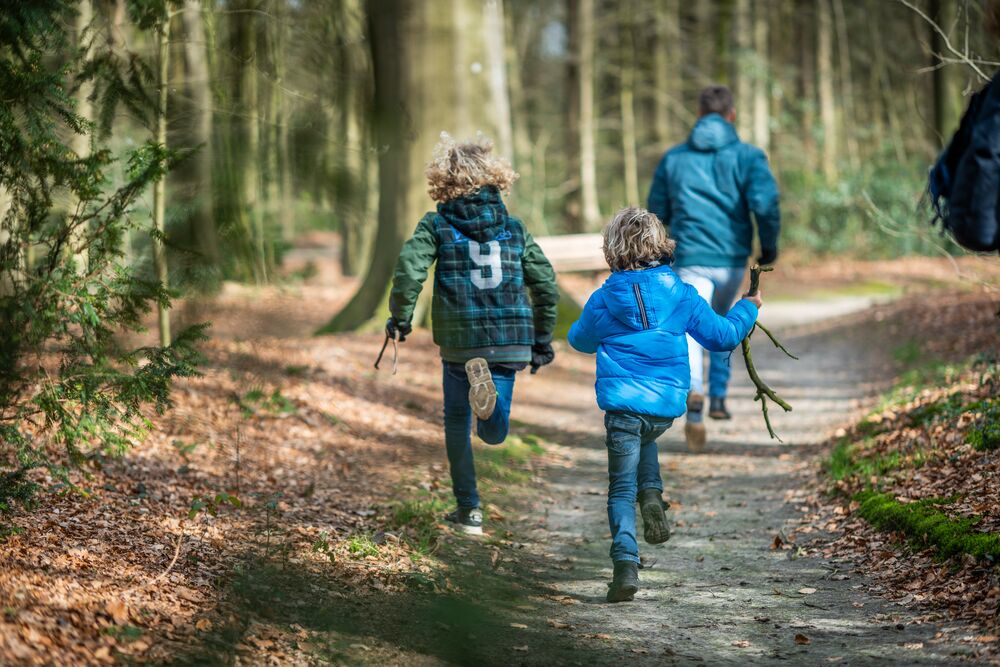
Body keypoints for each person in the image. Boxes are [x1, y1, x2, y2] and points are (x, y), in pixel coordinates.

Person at [568, 207, 761, 602]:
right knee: (646, 437)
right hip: (664, 408)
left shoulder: (603, 300)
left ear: (612, 249)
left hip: (623, 409)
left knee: (620, 490)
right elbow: (723, 336)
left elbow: (579, 341)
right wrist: (749, 307)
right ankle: (652, 494)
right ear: (660, 245)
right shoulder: (680, 293)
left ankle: (625, 563)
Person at [386, 133, 559, 536]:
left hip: (461, 341)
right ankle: (493, 414)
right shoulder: (514, 229)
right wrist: (543, 338)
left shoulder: (436, 224)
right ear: (496, 179)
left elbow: (410, 270)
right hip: (511, 335)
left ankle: (470, 512)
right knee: (494, 433)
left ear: (443, 181)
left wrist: (401, 316)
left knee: (455, 424)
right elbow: (545, 282)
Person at [647, 85, 780, 451]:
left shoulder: (673, 159)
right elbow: (765, 205)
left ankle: (697, 392)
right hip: (732, 258)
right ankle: (719, 396)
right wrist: (768, 248)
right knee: (722, 321)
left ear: (699, 114)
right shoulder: (749, 157)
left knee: (691, 326)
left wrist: (659, 253)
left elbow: (655, 211)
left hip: (688, 257)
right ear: (732, 115)